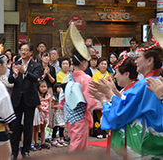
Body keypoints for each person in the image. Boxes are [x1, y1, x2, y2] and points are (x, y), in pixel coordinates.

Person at [89, 36, 163, 158]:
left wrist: (105, 97)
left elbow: (119, 114)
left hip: (145, 145)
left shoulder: (145, 84)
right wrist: (112, 92)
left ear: (150, 61)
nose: (136, 61)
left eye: (138, 57)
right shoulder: (156, 81)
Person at [89, 52, 138, 159]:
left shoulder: (133, 91)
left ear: (126, 74)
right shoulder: (130, 89)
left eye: (117, 73)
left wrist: (103, 98)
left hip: (125, 137)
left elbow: (117, 115)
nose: (115, 76)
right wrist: (114, 91)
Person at [61, 24, 98, 152]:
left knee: (75, 142)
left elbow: (63, 98)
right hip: (81, 116)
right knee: (78, 146)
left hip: (69, 115)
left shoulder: (69, 77)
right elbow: (92, 101)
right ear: (84, 62)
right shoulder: (85, 78)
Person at [9, 42, 42, 159]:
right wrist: (15, 75)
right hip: (17, 98)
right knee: (15, 125)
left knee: (28, 126)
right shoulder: (15, 64)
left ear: (31, 52)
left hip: (30, 98)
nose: (23, 52)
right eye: (22, 50)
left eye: (26, 50)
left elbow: (36, 78)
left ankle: (26, 150)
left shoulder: (36, 65)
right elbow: (10, 80)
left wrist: (25, 72)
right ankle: (14, 151)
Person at [51, 83, 67, 147]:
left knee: (62, 126)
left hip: (62, 112)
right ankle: (54, 140)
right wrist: (59, 106)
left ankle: (61, 139)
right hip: (57, 112)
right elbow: (52, 106)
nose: (60, 89)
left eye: (61, 87)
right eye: (58, 87)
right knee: (56, 126)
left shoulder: (63, 96)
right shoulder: (54, 97)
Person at [36, 80, 51, 150]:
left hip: (46, 113)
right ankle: (36, 142)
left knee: (43, 128)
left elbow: (49, 104)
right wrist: (41, 108)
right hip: (39, 112)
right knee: (37, 128)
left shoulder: (48, 95)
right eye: (41, 87)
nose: (43, 88)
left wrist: (46, 110)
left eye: (45, 86)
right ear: (38, 87)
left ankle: (43, 142)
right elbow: (37, 104)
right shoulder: (37, 95)